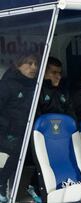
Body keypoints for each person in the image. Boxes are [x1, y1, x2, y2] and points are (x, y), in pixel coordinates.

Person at [0, 54, 38, 202]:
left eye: (36, 64)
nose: (34, 67)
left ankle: (33, 188)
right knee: (19, 148)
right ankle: (1, 182)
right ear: (18, 65)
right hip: (6, 133)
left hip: (26, 133)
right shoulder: (6, 85)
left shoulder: (36, 84)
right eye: (29, 63)